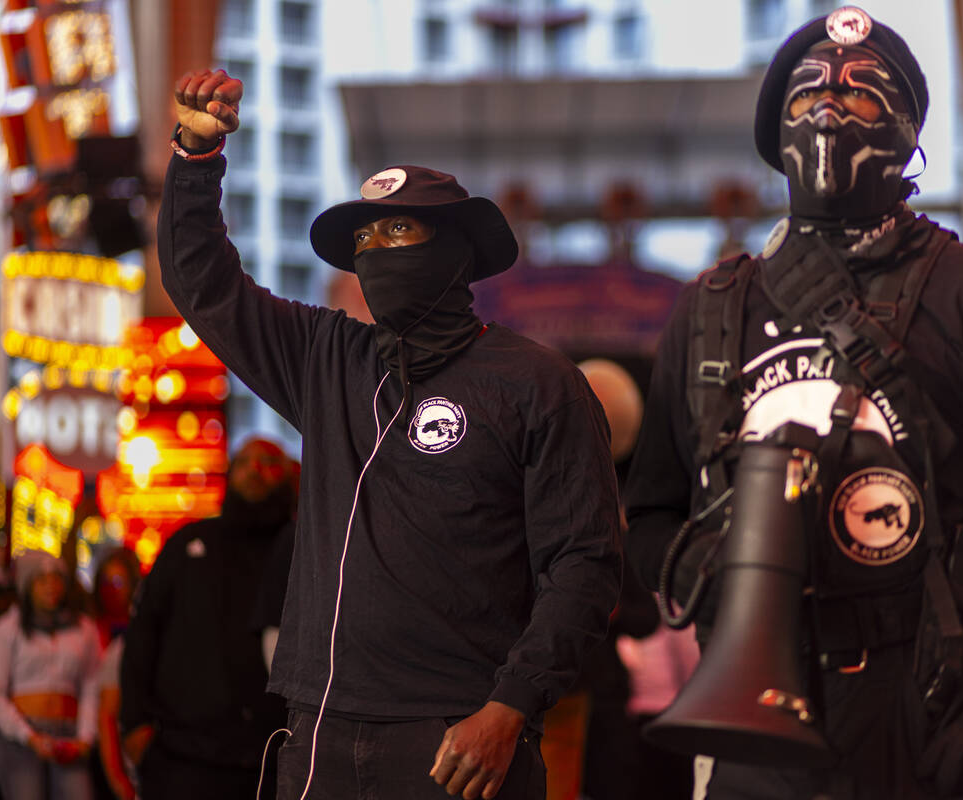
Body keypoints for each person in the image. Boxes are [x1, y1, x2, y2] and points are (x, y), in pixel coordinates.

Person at [623, 6, 963, 799]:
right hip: (757, 728)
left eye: (863, 96)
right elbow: (650, 515)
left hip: (939, 713)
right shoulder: (710, 310)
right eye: (806, 96)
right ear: (776, 134)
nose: (828, 110)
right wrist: (721, 568)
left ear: (906, 133)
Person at [157, 67, 622, 800]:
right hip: (319, 734)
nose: (374, 250)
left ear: (455, 250)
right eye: (363, 239)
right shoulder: (327, 357)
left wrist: (509, 709)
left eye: (397, 228)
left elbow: (586, 565)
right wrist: (195, 157)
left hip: (458, 739)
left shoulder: (538, 382)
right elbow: (204, 284)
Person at [118, 437, 295, 800]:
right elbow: (142, 635)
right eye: (243, 462)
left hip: (274, 761)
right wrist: (134, 726)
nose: (254, 470)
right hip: (183, 760)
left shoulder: (306, 550)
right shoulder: (188, 544)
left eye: (267, 461)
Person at [0, 550, 102, 800]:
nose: (51, 587)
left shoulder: (83, 629)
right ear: (27, 585)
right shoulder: (8, 628)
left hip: (69, 737)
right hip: (21, 739)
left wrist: (86, 737)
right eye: (42, 580)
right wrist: (28, 736)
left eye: (56, 578)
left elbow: (92, 685)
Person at [90, 547, 142, 800]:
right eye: (106, 582)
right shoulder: (88, 627)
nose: (112, 589)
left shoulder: (139, 632)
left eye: (118, 582)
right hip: (89, 733)